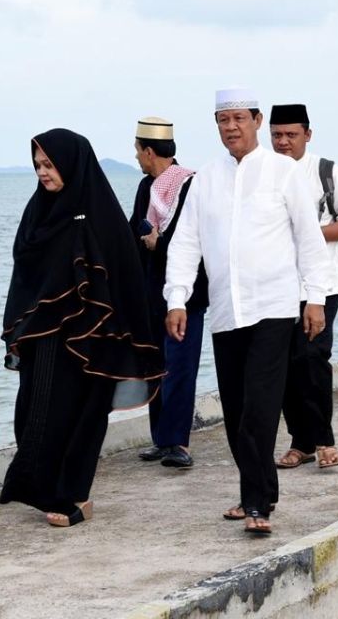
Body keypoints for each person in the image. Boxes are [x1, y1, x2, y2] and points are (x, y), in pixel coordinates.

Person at [164, 89, 332, 534]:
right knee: (236, 411)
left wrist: (314, 297)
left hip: (274, 307)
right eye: (223, 120)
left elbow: (309, 238)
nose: (231, 127)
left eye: (239, 118)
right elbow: (185, 243)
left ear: (257, 120)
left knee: (259, 407)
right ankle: (255, 491)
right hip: (225, 311)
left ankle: (258, 504)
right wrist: (176, 298)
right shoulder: (204, 180)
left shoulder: (284, 172)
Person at [0, 129, 162, 528]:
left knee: (79, 414)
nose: (43, 173)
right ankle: (41, 486)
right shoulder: (38, 211)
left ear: (72, 164)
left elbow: (124, 276)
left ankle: (74, 495)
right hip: (43, 335)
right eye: (38, 165)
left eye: (50, 165)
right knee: (33, 411)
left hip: (90, 341)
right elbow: (25, 267)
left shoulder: (100, 216)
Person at [267, 103, 338, 472]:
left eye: (291, 135)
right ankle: (300, 441)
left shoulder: (326, 171)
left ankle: (324, 439)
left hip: (323, 281)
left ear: (308, 134)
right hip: (278, 283)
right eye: (277, 135)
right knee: (286, 364)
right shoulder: (263, 172)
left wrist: (307, 234)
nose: (284, 142)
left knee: (312, 357)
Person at [130, 117, 208, 470]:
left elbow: (190, 239)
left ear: (149, 151)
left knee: (180, 366)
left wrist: (156, 241)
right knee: (155, 365)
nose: (136, 158)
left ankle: (178, 442)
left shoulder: (190, 185)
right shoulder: (146, 186)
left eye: (137, 151)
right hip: (151, 290)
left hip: (186, 292)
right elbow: (135, 232)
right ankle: (161, 439)